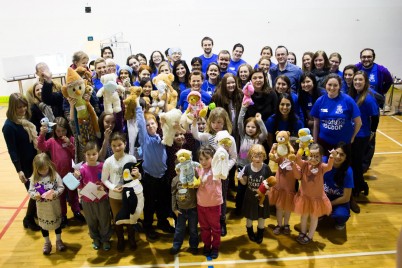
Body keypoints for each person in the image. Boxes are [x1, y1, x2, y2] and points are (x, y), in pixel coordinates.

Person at [191, 107, 237, 236]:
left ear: (225, 122)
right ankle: (208, 221)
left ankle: (221, 221)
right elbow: (196, 135)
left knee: (221, 198)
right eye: (214, 122)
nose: (216, 125)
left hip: (222, 175)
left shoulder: (229, 139)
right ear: (210, 122)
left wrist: (226, 168)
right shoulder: (208, 136)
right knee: (208, 195)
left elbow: (234, 157)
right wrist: (194, 122)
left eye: (220, 122)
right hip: (207, 174)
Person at [135, 98, 175, 240]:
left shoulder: (161, 137)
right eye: (148, 125)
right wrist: (139, 108)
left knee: (163, 202)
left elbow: (169, 122)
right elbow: (140, 123)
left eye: (152, 123)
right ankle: (148, 226)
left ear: (157, 125)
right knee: (150, 204)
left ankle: (163, 222)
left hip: (163, 176)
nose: (150, 126)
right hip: (150, 177)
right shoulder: (145, 140)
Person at [37, 117, 85, 227]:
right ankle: (63, 215)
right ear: (54, 131)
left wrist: (70, 145)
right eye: (58, 131)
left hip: (70, 174)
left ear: (67, 130)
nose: (61, 133)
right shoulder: (52, 141)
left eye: (63, 131)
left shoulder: (71, 139)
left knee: (73, 194)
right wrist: (42, 135)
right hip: (57, 176)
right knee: (61, 196)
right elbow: (41, 146)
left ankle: (76, 211)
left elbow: (75, 155)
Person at [3, 93, 40, 231]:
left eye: (24, 106)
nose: (23, 109)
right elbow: (12, 151)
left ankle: (33, 214)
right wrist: (19, 170)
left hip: (34, 161)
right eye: (19, 107)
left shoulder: (25, 120)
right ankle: (28, 219)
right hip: (25, 166)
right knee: (35, 192)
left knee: (38, 190)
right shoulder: (9, 126)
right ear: (12, 107)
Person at [101, 132, 139, 251]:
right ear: (110, 146)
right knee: (117, 220)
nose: (117, 148)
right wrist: (113, 187)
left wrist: (137, 176)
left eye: (120, 145)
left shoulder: (131, 158)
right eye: (114, 145)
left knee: (130, 218)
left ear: (125, 144)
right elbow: (104, 179)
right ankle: (121, 240)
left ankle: (131, 238)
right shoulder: (108, 161)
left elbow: (136, 178)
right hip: (114, 196)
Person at [294, 143, 336, 244]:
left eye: (317, 156)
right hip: (304, 197)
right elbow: (296, 159)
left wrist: (331, 157)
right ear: (307, 155)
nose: (313, 158)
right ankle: (303, 232)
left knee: (314, 217)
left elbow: (330, 167)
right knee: (303, 216)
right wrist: (301, 149)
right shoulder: (304, 165)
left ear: (321, 157)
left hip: (316, 198)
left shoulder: (322, 167)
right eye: (311, 156)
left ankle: (310, 236)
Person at [73, 142, 112, 250]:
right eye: (88, 154)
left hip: (102, 199)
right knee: (91, 221)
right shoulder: (81, 169)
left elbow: (108, 181)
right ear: (84, 154)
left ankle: (106, 239)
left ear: (98, 154)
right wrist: (76, 177)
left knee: (104, 219)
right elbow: (78, 186)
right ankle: (95, 238)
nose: (91, 157)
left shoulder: (103, 166)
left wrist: (104, 187)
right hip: (87, 200)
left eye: (94, 154)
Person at [310, 74, 362, 155]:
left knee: (341, 166)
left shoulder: (348, 100)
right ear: (325, 85)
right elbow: (316, 124)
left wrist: (352, 137)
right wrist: (315, 141)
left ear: (339, 86)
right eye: (329, 85)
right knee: (325, 166)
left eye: (335, 85)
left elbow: (358, 122)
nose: (332, 88)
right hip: (324, 142)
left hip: (343, 143)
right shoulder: (320, 101)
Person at [349, 71, 379, 197]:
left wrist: (372, 132)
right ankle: (360, 185)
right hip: (353, 134)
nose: (357, 82)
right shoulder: (355, 95)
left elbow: (375, 117)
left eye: (360, 80)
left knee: (356, 163)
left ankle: (359, 187)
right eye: (355, 80)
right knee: (353, 162)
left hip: (361, 136)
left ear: (365, 82)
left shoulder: (368, 99)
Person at [28, 153, 65, 255]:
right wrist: (35, 195)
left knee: (57, 224)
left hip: (54, 206)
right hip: (42, 208)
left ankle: (58, 240)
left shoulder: (55, 175)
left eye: (45, 169)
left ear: (49, 165)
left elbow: (61, 187)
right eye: (41, 170)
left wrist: (55, 194)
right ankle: (47, 242)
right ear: (36, 169)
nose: (44, 171)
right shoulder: (34, 178)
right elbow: (30, 191)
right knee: (43, 226)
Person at [235, 105, 268, 215]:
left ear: (257, 129)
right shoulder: (243, 136)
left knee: (252, 190)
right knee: (241, 189)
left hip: (254, 169)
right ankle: (238, 208)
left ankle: (253, 208)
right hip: (242, 167)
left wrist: (260, 121)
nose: (250, 129)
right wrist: (243, 108)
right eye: (248, 126)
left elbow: (265, 133)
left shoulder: (259, 139)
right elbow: (239, 122)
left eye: (253, 127)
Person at [239, 144, 273, 244]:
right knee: (249, 217)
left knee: (261, 217)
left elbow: (271, 182)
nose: (258, 158)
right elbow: (244, 183)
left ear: (264, 156)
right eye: (255, 156)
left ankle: (260, 234)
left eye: (260, 156)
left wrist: (268, 190)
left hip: (262, 197)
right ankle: (250, 231)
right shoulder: (247, 167)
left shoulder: (266, 168)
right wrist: (240, 178)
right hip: (250, 196)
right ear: (251, 156)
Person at [268, 143, 300, 236]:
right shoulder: (281, 157)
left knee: (287, 209)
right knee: (278, 208)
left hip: (289, 191)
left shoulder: (297, 162)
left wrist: (293, 164)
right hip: (278, 189)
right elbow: (272, 157)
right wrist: (273, 148)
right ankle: (279, 225)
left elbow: (298, 176)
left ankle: (286, 225)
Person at [196, 145, 221, 259]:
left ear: (212, 158)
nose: (204, 161)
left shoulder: (216, 168)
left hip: (214, 204)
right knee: (204, 227)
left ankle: (215, 247)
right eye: (201, 159)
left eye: (207, 158)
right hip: (201, 204)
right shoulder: (198, 169)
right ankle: (207, 245)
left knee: (215, 228)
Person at [324, 142, 354, 230]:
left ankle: (339, 220)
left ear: (346, 158)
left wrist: (329, 204)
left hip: (339, 200)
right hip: (323, 197)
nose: (337, 157)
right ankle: (322, 214)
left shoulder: (348, 172)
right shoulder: (324, 161)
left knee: (341, 215)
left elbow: (346, 198)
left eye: (342, 155)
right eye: (336, 153)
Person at [169, 169, 199, 255]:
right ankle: (176, 245)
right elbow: (173, 194)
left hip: (192, 209)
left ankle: (194, 246)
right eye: (179, 170)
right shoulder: (175, 180)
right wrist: (174, 209)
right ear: (176, 170)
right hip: (181, 211)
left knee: (193, 229)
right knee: (179, 229)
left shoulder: (192, 177)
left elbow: (198, 178)